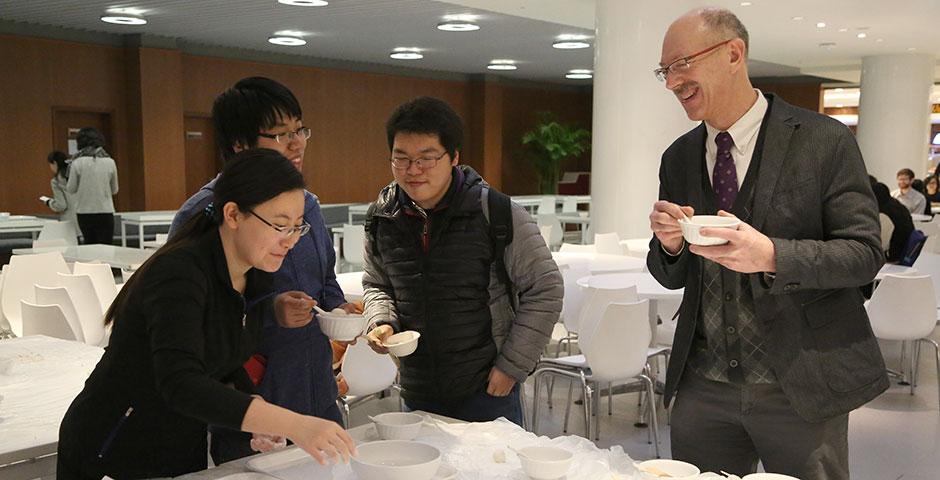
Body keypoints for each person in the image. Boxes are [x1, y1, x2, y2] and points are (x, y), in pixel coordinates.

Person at [648, 8, 887, 479]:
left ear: (733, 53)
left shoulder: (824, 141)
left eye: (682, 64)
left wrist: (773, 254)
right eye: (665, 70)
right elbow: (670, 274)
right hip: (703, 386)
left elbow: (865, 255)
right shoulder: (678, 157)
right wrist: (670, 244)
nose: (672, 82)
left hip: (799, 381)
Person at [57, 149, 355, 480]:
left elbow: (225, 362)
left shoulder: (253, 274)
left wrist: (257, 409)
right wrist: (292, 423)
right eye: (279, 225)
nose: (290, 241)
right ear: (233, 215)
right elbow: (181, 382)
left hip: (179, 442)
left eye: (298, 228)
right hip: (114, 443)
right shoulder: (180, 273)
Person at [170, 77, 358, 463]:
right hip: (256, 412)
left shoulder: (307, 204)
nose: (297, 143)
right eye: (280, 134)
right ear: (239, 145)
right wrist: (272, 312)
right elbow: (200, 332)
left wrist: (339, 314)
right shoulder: (205, 216)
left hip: (318, 396)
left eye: (299, 130)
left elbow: (325, 281)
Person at [361, 97, 563, 425]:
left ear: (454, 157)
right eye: (401, 159)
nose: (412, 170)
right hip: (418, 389)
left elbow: (546, 288)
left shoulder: (496, 212)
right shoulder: (383, 217)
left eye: (426, 158)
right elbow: (377, 283)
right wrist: (382, 322)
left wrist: (511, 367)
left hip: (487, 390)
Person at [66, 127, 119, 245]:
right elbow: (115, 190)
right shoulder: (110, 162)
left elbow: (71, 189)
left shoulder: (76, 163)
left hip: (84, 212)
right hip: (105, 211)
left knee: (90, 247)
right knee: (107, 248)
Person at [871, 181, 915, 263]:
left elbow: (880, 244)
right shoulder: (897, 205)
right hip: (906, 251)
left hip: (893, 257)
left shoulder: (883, 213)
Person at [42, 150, 78, 228]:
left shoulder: (56, 181)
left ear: (54, 163)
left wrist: (49, 202)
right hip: (85, 219)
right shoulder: (76, 176)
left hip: (69, 221)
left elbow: (61, 205)